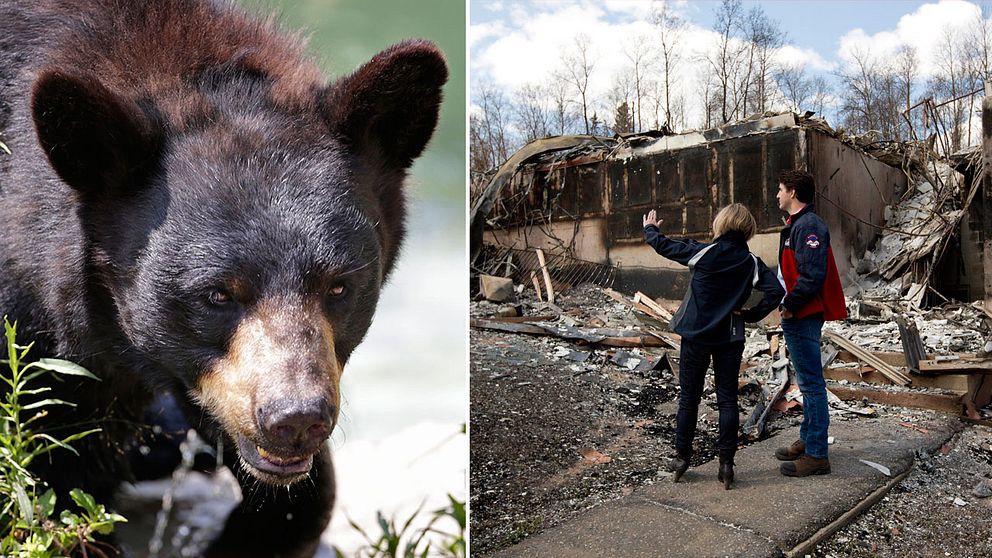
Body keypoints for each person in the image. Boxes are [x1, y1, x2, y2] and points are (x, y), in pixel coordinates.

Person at [643, 204, 784, 489]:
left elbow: (665, 246)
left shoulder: (704, 252)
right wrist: (751, 315)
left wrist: (650, 229)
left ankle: (682, 458)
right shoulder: (751, 262)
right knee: (727, 400)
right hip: (730, 337)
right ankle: (726, 465)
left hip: (695, 334)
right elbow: (776, 291)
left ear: (721, 224)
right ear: (747, 230)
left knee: (689, 398)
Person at [774, 170, 848, 477]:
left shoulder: (809, 226)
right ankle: (808, 440)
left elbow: (812, 276)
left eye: (779, 189)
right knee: (805, 382)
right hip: (797, 312)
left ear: (792, 192)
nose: (776, 195)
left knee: (812, 385)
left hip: (802, 314)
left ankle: (817, 454)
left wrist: (789, 304)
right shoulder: (796, 226)